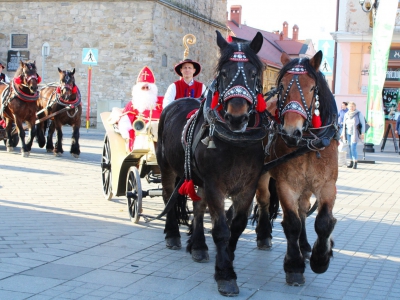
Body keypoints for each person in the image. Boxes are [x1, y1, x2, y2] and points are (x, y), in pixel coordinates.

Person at [108, 66, 162, 152]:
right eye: (143, 88)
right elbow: (125, 121)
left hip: (160, 133)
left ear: (152, 89)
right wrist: (127, 135)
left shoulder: (161, 102)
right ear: (138, 89)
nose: (145, 90)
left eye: (147, 88)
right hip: (141, 133)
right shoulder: (133, 104)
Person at [341, 101, 365, 169]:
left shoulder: (358, 114)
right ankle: (351, 162)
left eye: (352, 106)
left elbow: (363, 124)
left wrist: (362, 133)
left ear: (355, 107)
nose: (351, 108)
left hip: (355, 133)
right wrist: (343, 133)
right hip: (348, 132)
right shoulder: (346, 114)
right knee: (349, 147)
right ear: (348, 107)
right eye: (350, 106)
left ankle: (355, 162)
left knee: (353, 147)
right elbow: (344, 125)